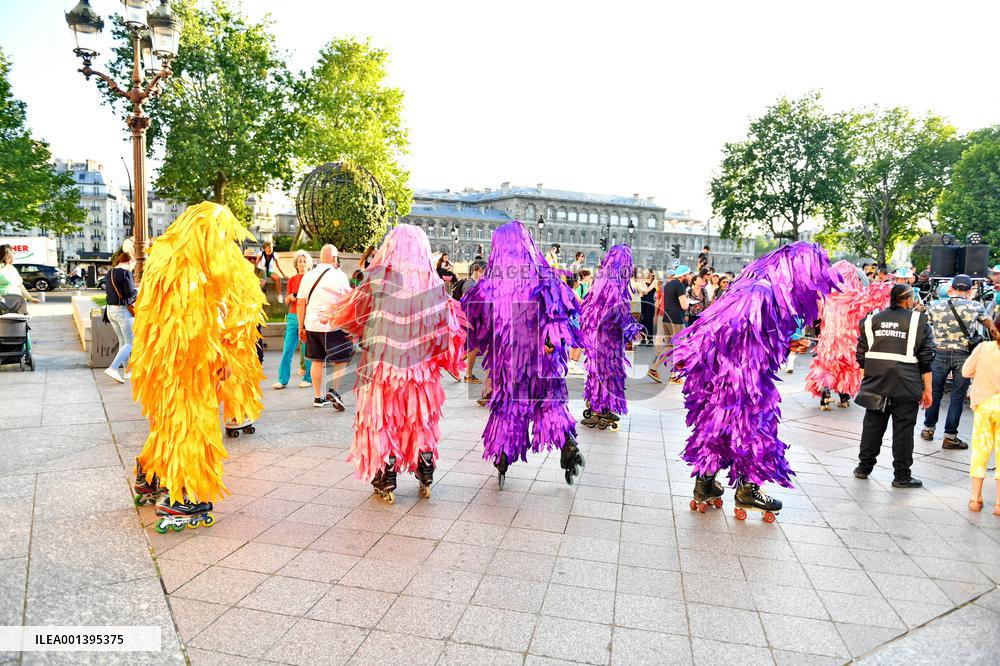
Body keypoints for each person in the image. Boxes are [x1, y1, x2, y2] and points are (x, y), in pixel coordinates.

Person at [673, 242, 840, 518]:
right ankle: (749, 490)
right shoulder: (760, 291)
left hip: (728, 378)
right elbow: (725, 328)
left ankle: (704, 485)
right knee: (757, 430)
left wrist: (787, 343)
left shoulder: (754, 286)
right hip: (744, 381)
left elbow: (753, 335)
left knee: (719, 429)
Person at [131, 202, 265, 531]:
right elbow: (194, 328)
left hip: (158, 365)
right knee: (193, 426)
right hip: (188, 366)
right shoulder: (191, 272)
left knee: (169, 425)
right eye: (222, 235)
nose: (225, 242)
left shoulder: (165, 257)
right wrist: (221, 360)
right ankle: (182, 498)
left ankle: (151, 477)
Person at [322, 224, 467, 502]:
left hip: (382, 363)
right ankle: (425, 467)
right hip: (421, 369)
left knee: (383, 416)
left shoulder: (377, 280)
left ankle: (386, 474)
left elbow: (356, 314)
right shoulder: (434, 285)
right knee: (419, 417)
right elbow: (447, 330)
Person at [463, 221, 584, 489]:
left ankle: (504, 459)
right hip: (543, 360)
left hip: (509, 365)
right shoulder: (545, 277)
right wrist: (552, 343)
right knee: (550, 403)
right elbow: (559, 314)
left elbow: (474, 324)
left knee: (510, 408)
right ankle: (568, 444)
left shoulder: (487, 287)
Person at [854, 283, 934, 488]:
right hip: (906, 385)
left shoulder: (871, 320)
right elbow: (926, 359)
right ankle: (902, 476)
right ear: (907, 299)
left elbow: (861, 355)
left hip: (876, 383)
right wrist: (928, 390)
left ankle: (863, 468)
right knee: (904, 431)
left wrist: (869, 378)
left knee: (872, 426)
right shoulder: (919, 322)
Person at [921, 274, 998, 449]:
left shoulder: (935, 306)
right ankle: (950, 436)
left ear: (951, 289)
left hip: (939, 354)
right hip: (963, 356)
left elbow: (923, 327)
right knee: (957, 396)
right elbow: (992, 328)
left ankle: (928, 429)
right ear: (970, 290)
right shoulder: (976, 306)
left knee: (935, 392)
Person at [805, 261, 892, 410]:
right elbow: (874, 298)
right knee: (847, 367)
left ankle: (825, 390)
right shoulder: (856, 296)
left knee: (827, 365)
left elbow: (812, 309)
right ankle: (844, 396)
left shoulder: (825, 295)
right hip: (849, 340)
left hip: (829, 339)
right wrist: (888, 285)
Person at [579, 245, 645, 430]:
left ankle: (601, 405)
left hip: (601, 335)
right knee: (605, 373)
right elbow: (619, 311)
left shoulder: (601, 280)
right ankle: (599, 408)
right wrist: (631, 329)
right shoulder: (614, 285)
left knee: (602, 373)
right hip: (605, 337)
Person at [298, 245, 353, 410]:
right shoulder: (340, 275)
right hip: (331, 325)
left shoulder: (308, 275)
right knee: (342, 358)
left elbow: (301, 302)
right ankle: (334, 391)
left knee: (317, 361)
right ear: (335, 258)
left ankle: (317, 397)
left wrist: (301, 326)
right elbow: (347, 302)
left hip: (312, 324)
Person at [962, 337, 1000, 514]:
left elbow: (965, 371)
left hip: (984, 404)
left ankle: (975, 499)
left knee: (980, 451)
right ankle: (999, 504)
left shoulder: (984, 347)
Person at [273, 250, 314, 389]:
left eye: (304, 261)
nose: (302, 264)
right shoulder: (292, 279)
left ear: (308, 264)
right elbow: (286, 301)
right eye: (299, 261)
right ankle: (282, 379)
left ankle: (308, 378)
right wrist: (290, 297)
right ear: (296, 264)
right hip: (292, 316)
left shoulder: (312, 278)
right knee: (287, 348)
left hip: (307, 316)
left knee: (306, 348)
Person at [647, 265, 691, 384]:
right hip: (676, 320)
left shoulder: (668, 285)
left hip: (666, 318)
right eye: (688, 274)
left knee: (669, 346)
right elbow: (684, 306)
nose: (689, 277)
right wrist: (688, 301)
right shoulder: (680, 286)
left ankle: (654, 368)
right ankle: (673, 376)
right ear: (683, 275)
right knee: (679, 348)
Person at [103, 251, 138, 384]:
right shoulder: (125, 273)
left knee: (123, 342)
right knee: (131, 342)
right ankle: (113, 368)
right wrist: (137, 291)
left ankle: (128, 371)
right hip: (122, 312)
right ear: (129, 262)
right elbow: (129, 294)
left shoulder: (110, 272)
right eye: (133, 264)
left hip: (110, 310)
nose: (133, 268)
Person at [456, 261, 485, 382]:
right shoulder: (470, 284)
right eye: (484, 272)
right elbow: (468, 304)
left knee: (473, 348)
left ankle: (457, 365)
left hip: (472, 321)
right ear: (478, 270)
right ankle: (467, 374)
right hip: (469, 321)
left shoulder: (473, 283)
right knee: (473, 348)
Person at [639, 269, 657, 346]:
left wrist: (644, 288)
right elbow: (641, 294)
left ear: (652, 273)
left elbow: (647, 291)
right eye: (645, 272)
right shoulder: (642, 280)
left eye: (647, 272)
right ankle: (643, 339)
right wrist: (642, 282)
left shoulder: (655, 281)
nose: (646, 274)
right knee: (642, 320)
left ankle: (650, 340)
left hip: (650, 303)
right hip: (642, 302)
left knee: (649, 321)